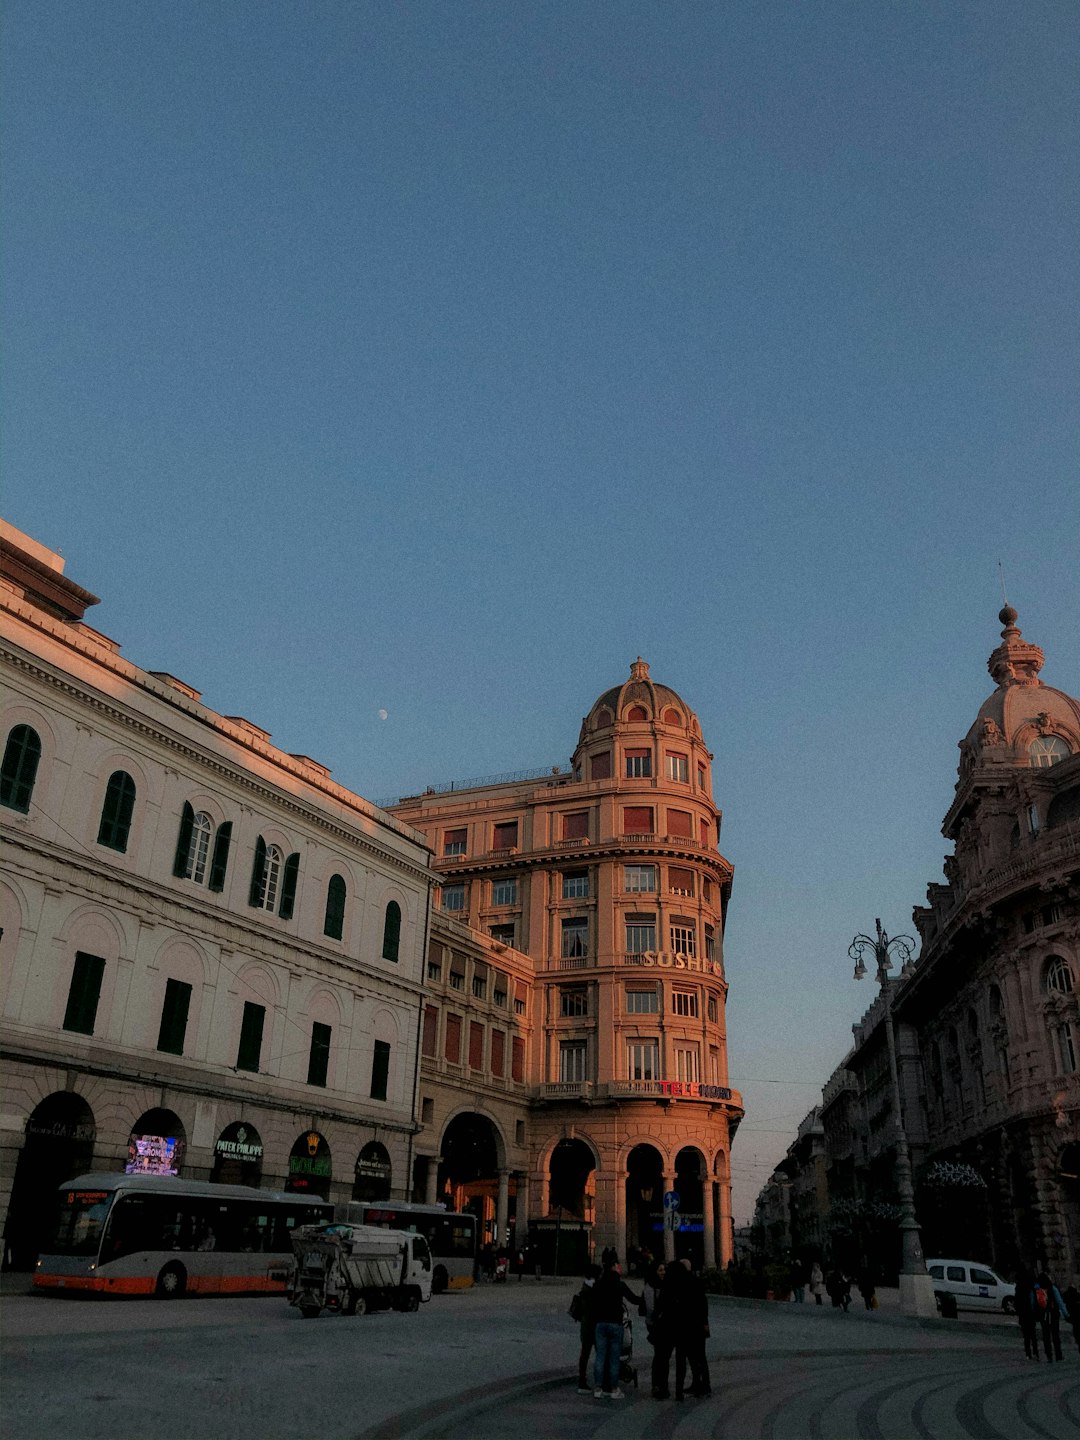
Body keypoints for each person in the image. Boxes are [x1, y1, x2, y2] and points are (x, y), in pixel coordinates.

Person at [591, 1254, 642, 1400]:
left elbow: (593, 1303)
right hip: (615, 1324)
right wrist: (646, 1297)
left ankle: (598, 1388)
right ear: (614, 1266)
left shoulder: (598, 1284)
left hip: (600, 1324)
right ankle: (613, 1389)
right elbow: (634, 1299)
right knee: (614, 1358)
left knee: (600, 1356)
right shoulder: (619, 1284)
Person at [673, 1259, 711, 1400]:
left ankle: (702, 1385)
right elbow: (703, 1303)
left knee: (694, 1358)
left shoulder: (682, 1283)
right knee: (699, 1357)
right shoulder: (696, 1281)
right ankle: (700, 1384)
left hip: (689, 1327)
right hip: (698, 1326)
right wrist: (704, 1323)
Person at [574, 1264, 601, 1394]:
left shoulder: (585, 1286)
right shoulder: (595, 1288)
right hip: (594, 1325)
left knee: (585, 1354)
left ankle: (582, 1380)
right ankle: (599, 1381)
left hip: (585, 1325)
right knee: (599, 1353)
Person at [1032, 1270, 1069, 1362]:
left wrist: (1034, 1313)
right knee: (1055, 1335)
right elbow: (1060, 1302)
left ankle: (1049, 1355)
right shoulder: (1052, 1288)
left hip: (1043, 1315)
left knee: (1046, 1336)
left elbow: (1033, 1302)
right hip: (1053, 1314)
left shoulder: (1037, 1288)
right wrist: (1066, 1314)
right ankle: (1058, 1355)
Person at [1014, 1266, 1038, 1360]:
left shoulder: (1019, 1287)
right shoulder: (1031, 1284)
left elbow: (1017, 1302)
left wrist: (1018, 1311)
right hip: (1030, 1313)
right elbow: (1036, 1292)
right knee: (1033, 1334)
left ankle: (1028, 1353)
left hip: (1023, 1314)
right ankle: (1035, 1352)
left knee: (1026, 1336)